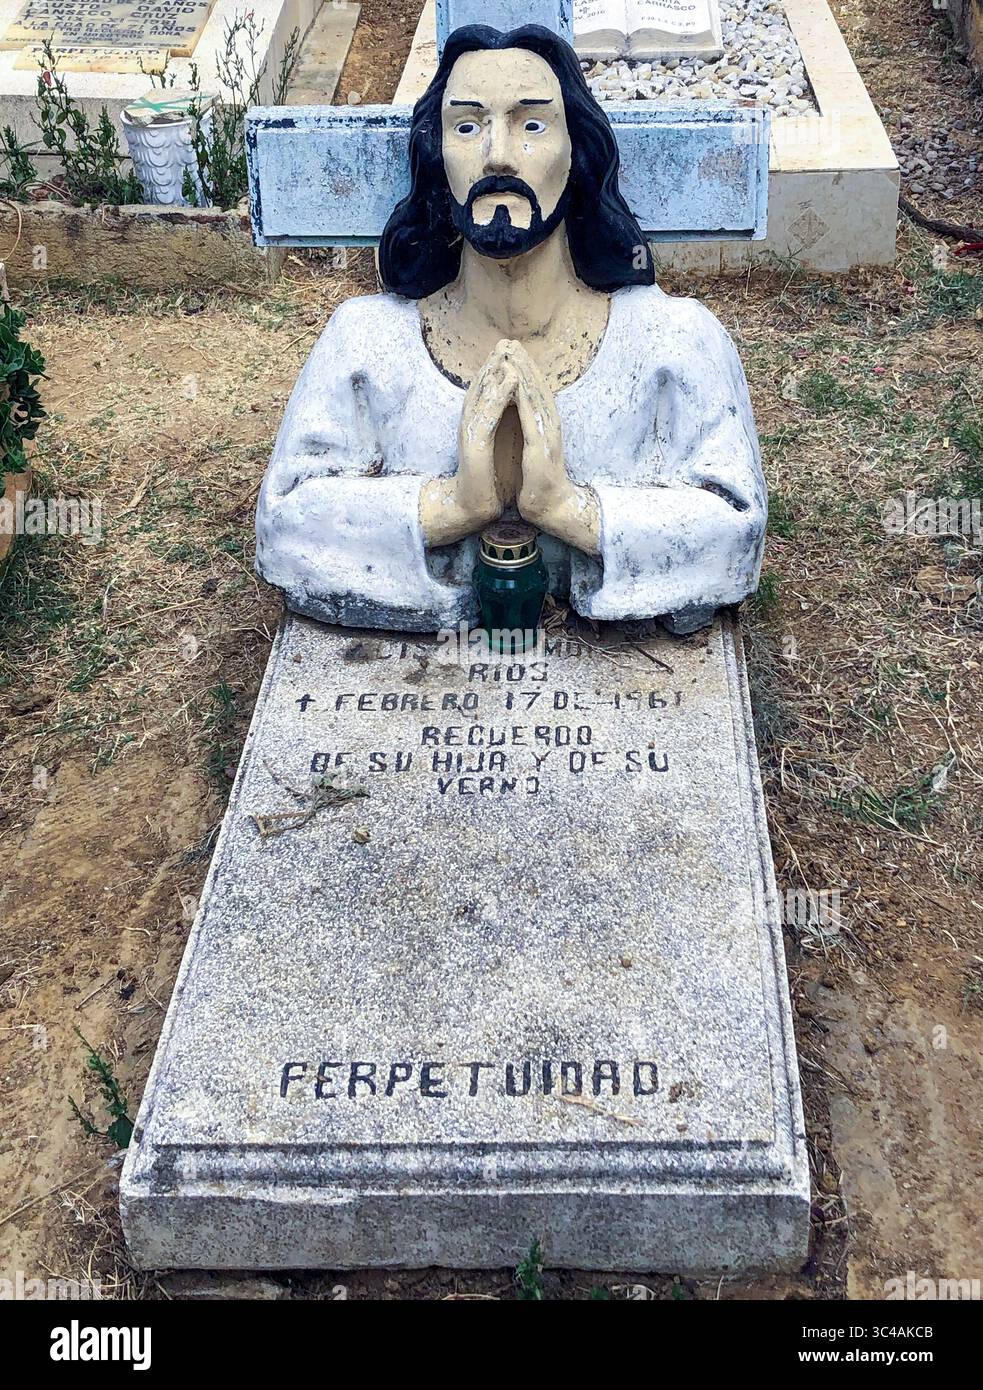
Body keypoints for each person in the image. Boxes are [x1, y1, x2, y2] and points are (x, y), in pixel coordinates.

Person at [256, 24, 766, 634]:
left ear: (576, 152)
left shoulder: (673, 344)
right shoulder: (365, 344)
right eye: (467, 126)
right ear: (435, 157)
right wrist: (450, 507)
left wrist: (568, 509)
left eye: (531, 124)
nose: (497, 153)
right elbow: (286, 526)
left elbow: (734, 532)